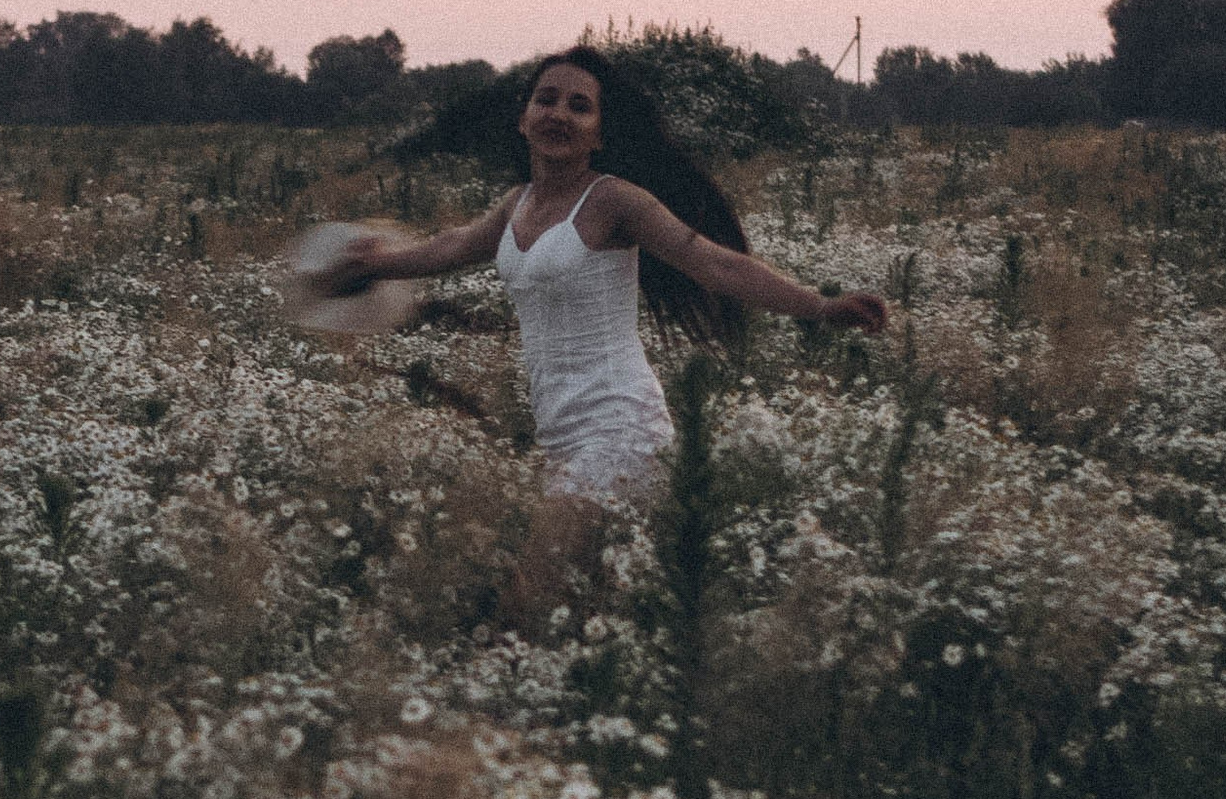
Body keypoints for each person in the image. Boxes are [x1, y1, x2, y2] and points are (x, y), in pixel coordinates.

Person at [325, 45, 890, 499]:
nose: (559, 115)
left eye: (579, 106)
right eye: (546, 100)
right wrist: (376, 266)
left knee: (537, 585)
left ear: (599, 132)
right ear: (523, 119)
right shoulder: (514, 205)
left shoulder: (614, 202)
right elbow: (451, 247)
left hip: (620, 429)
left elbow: (710, 261)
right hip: (558, 432)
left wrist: (819, 307)